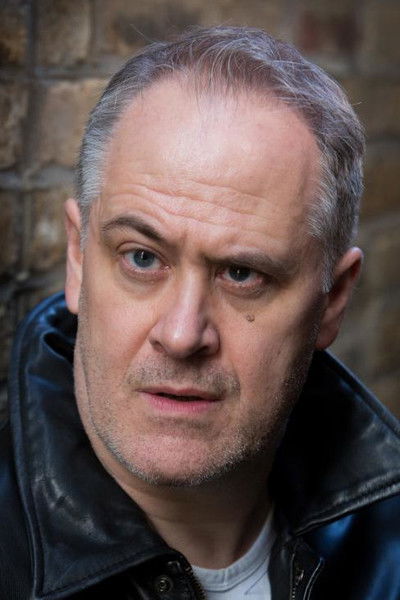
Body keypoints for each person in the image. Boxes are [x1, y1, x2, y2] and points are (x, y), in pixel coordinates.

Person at [1, 26, 400, 600]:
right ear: (78, 259)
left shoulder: (384, 548)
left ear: (332, 299)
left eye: (242, 274)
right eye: (142, 258)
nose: (182, 334)